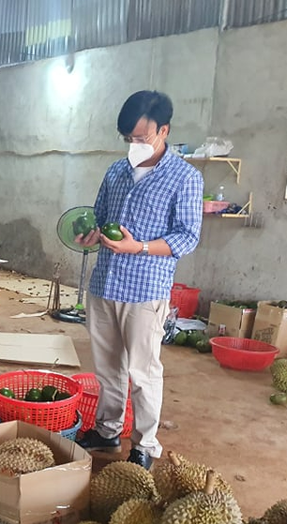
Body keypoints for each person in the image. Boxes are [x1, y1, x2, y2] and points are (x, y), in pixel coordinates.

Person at [76, 90, 203, 470]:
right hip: (104, 285)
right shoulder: (115, 172)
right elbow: (99, 216)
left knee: (143, 372)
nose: (134, 145)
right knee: (108, 368)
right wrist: (91, 235)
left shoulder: (185, 177)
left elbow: (187, 236)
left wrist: (140, 247)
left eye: (141, 138)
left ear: (164, 130)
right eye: (128, 139)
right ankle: (108, 430)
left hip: (145, 289)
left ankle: (145, 444)